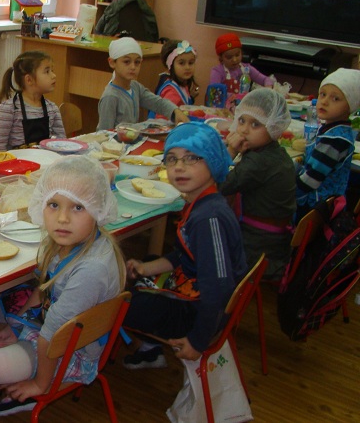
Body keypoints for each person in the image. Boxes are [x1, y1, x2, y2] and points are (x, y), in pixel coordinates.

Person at [0, 156, 125, 416]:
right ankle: (8, 352)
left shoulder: (91, 270)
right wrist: (16, 325)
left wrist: (40, 384)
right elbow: (43, 291)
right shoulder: (64, 243)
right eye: (54, 204)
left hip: (71, 350)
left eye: (78, 207)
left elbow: (53, 336)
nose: (62, 218)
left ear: (98, 210)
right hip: (50, 326)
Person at [122, 122, 247, 369]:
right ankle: (150, 348)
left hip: (199, 313)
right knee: (147, 263)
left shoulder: (207, 219)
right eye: (172, 159)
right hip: (196, 291)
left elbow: (217, 288)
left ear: (213, 160)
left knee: (122, 304)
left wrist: (198, 341)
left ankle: (149, 347)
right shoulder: (202, 202)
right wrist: (146, 269)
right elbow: (185, 254)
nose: (179, 166)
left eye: (192, 158)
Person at [222, 88, 296, 282]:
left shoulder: (259, 161)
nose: (244, 130)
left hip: (259, 250)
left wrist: (231, 151)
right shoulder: (273, 152)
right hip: (274, 242)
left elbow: (220, 185)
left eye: (255, 124)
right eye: (241, 121)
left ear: (274, 127)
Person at [295, 68, 360, 219]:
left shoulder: (335, 141)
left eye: (335, 99)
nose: (324, 101)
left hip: (317, 211)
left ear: (350, 107)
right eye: (323, 94)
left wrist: (284, 192)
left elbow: (310, 180)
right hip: (318, 206)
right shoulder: (333, 129)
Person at [98, 37, 189, 130]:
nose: (133, 67)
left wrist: (175, 111)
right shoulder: (110, 97)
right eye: (126, 62)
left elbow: (157, 103)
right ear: (112, 62)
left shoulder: (135, 86)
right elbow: (103, 132)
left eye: (137, 62)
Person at [0, 51, 66, 150]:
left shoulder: (52, 108)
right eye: (47, 71)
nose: (54, 75)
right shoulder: (9, 108)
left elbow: (62, 142)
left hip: (45, 158)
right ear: (29, 80)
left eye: (52, 70)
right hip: (16, 159)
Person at [209, 33, 274, 97]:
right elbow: (214, 91)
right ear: (221, 58)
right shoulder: (218, 72)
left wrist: (268, 87)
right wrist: (231, 96)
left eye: (237, 55)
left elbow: (265, 79)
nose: (234, 60)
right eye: (229, 57)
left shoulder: (247, 68)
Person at [149, 40, 199, 119]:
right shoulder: (171, 92)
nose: (187, 67)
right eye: (181, 63)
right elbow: (161, 120)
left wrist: (191, 97)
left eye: (191, 63)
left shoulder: (182, 83)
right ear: (170, 65)